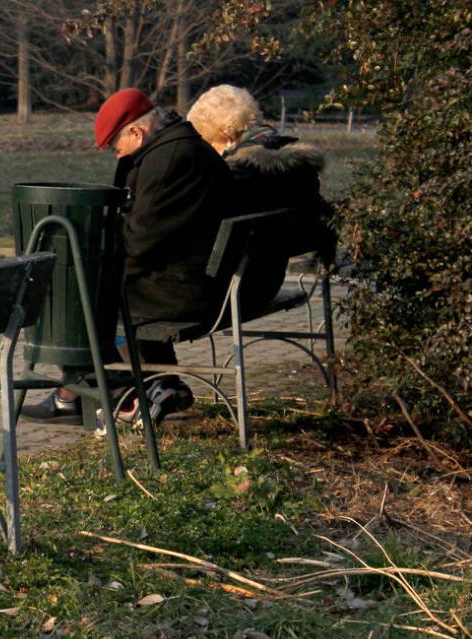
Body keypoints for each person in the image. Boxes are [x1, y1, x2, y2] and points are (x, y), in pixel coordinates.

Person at [23, 87, 232, 424]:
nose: (117, 157)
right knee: (89, 287)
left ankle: (96, 393)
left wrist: (93, 271)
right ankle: (155, 382)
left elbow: (140, 244)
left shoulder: (170, 161)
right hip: (196, 277)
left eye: (116, 147)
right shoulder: (180, 149)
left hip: (184, 290)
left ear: (137, 131)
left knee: (76, 296)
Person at [186, 84, 337, 313]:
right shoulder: (296, 166)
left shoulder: (241, 174)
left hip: (230, 291)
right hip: (267, 281)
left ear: (226, 136)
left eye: (208, 143)